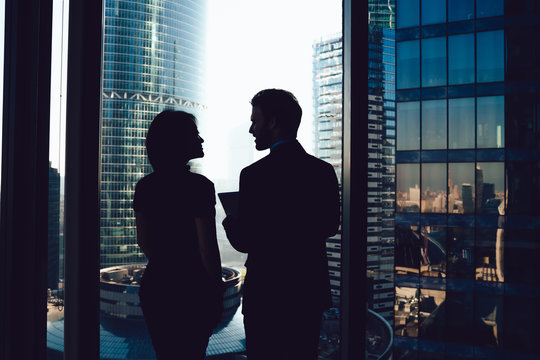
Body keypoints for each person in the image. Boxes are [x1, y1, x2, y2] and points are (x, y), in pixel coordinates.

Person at [222, 89, 340, 359]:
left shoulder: (254, 175)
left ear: (273, 122)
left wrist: (230, 221)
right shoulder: (322, 171)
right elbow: (331, 226)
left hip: (267, 293)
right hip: (307, 290)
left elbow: (245, 242)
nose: (252, 129)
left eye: (255, 121)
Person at [133, 110, 223, 360]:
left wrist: (166, 263)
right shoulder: (200, 186)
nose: (201, 140)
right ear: (178, 142)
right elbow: (207, 249)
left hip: (157, 287)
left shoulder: (144, 186)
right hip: (192, 290)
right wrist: (217, 291)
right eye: (195, 135)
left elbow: (144, 241)